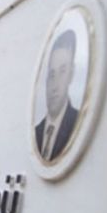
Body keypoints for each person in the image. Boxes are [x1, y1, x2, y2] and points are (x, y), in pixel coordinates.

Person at [35, 29, 80, 162]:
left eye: (62, 72)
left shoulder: (77, 125)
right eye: (52, 74)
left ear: (71, 75)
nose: (55, 85)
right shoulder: (36, 132)